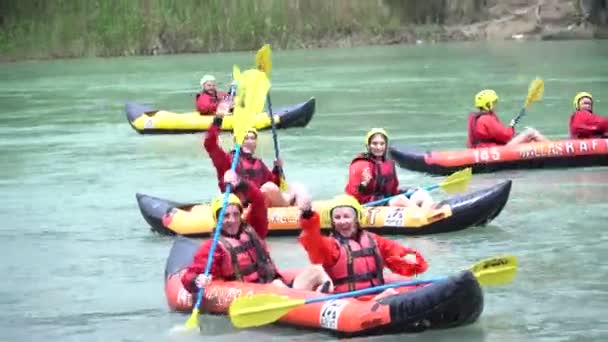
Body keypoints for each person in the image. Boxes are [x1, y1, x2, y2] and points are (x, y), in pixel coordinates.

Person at [181, 170, 333, 294]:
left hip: (274, 284)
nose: (232, 220)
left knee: (317, 270)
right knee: (277, 285)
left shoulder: (253, 230)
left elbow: (259, 200)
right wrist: (196, 280)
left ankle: (321, 297)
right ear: (217, 219)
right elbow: (190, 275)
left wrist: (242, 183)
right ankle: (313, 298)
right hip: (251, 294)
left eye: (235, 214)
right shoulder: (213, 247)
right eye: (225, 216)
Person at [297, 194, 428, 299]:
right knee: (390, 293)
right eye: (337, 217)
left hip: (375, 290)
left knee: (402, 282)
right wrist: (308, 216)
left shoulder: (373, 239)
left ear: (356, 219)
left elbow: (395, 251)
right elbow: (313, 241)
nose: (342, 221)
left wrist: (414, 262)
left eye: (346, 216)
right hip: (349, 299)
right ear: (332, 221)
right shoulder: (331, 245)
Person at [203, 112, 306, 207]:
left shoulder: (258, 163)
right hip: (239, 205)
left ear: (256, 143)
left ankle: (296, 210)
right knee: (270, 188)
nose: (249, 141)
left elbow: (274, 183)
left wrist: (277, 169)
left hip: (259, 203)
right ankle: (290, 205)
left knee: (294, 187)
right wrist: (218, 120)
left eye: (252, 138)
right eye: (245, 138)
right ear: (236, 141)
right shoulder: (227, 160)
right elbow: (209, 144)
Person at [345, 128, 434, 209]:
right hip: (367, 202)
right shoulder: (361, 164)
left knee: (421, 193)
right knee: (400, 200)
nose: (378, 147)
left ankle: (430, 215)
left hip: (387, 198)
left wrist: (410, 191)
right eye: (374, 144)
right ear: (368, 146)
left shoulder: (389, 162)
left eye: (382, 144)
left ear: (386, 145)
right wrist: (364, 183)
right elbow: (355, 193)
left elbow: (393, 189)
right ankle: (420, 214)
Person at [467, 89, 549, 148]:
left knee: (529, 140)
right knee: (531, 133)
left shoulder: (476, 119)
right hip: (496, 150)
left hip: (484, 149)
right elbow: (506, 136)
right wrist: (511, 126)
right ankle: (556, 148)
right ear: (489, 105)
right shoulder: (486, 119)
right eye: (494, 103)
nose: (496, 105)